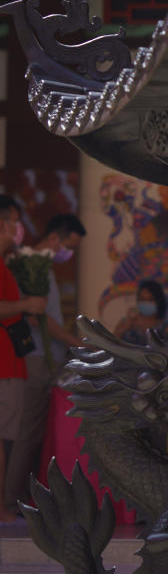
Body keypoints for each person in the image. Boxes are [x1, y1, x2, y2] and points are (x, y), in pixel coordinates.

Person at [4, 214, 86, 514]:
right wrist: (73, 341)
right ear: (54, 238)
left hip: (45, 356)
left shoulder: (43, 269)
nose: (69, 254)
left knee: (35, 434)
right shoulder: (28, 267)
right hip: (35, 357)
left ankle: (22, 496)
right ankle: (10, 501)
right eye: (69, 246)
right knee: (26, 434)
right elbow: (39, 320)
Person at [0, 196, 46, 523]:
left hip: (10, 359)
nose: (19, 229)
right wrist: (27, 306)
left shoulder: (6, 263)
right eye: (15, 222)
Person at [114, 280, 168, 345]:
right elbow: (110, 346)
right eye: (142, 299)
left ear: (159, 302)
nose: (146, 303)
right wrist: (123, 329)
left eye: (150, 300)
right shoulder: (125, 323)